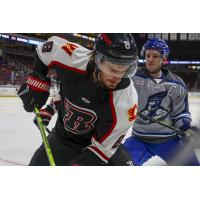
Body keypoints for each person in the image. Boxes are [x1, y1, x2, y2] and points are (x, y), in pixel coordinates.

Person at [17, 33, 138, 166]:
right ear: (98, 58)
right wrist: (37, 78)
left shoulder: (126, 101)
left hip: (97, 146)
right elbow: (47, 49)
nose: (118, 77)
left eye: (125, 70)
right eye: (112, 69)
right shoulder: (72, 57)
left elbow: (102, 150)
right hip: (62, 139)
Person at [123, 38, 200, 166]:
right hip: (139, 139)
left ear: (163, 58)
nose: (150, 59)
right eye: (147, 55)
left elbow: (180, 114)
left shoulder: (177, 84)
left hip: (169, 140)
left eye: (155, 56)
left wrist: (187, 129)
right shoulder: (133, 78)